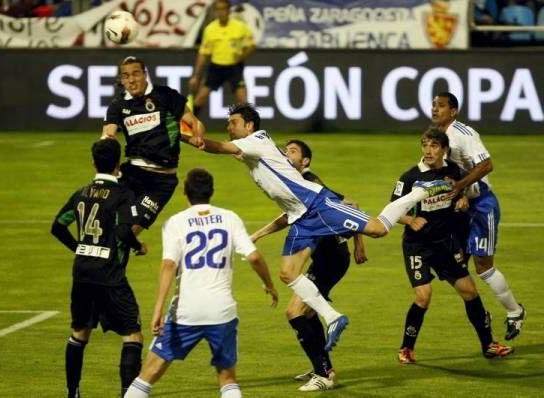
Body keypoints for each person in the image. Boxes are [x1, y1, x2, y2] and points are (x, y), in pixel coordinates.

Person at [197, 102, 453, 353]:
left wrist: (191, 138)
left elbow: (219, 146)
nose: (228, 127)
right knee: (287, 273)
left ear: (249, 126)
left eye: (233, 123)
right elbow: (238, 153)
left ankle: (420, 191)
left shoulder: (258, 139)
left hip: (317, 205)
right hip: (300, 217)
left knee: (378, 229)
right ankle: (332, 318)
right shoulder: (254, 151)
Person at [124, 168, 278, 398]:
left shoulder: (175, 223)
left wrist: (157, 310)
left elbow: (168, 266)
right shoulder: (229, 217)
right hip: (222, 311)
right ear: (211, 192)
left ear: (185, 192)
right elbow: (254, 256)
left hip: (186, 312)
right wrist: (269, 284)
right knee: (227, 380)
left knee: (147, 376)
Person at [250, 139, 368, 392]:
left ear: (305, 161)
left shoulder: (310, 182)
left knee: (295, 312)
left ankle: (324, 374)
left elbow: (351, 205)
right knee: (307, 311)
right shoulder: (292, 183)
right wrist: (259, 235)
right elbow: (288, 218)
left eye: (292, 151)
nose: (285, 153)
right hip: (325, 257)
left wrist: (359, 245)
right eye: (285, 150)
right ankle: (322, 368)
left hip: (332, 259)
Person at [391, 128, 513, 364]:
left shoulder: (453, 171)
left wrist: (463, 199)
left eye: (434, 146)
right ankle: (406, 348)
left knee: (470, 292)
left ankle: (489, 344)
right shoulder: (409, 177)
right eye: (425, 145)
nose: (428, 150)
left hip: (444, 244)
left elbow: (460, 192)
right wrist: (409, 219)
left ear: (444, 150)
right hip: (418, 246)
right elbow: (392, 210)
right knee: (424, 296)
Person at [51, 139, 147, 398]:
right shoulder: (122, 194)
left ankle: (73, 393)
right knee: (132, 335)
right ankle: (127, 394)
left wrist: (79, 248)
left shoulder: (81, 193)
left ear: (93, 162)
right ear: (118, 165)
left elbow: (58, 226)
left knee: (79, 334)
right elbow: (123, 230)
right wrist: (138, 246)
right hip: (110, 274)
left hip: (82, 273)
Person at [431, 92, 526, 340]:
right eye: (433, 105)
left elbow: (487, 165)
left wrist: (460, 185)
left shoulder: (464, 133)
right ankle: (480, 313)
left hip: (482, 205)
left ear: (453, 111)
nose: (435, 109)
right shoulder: (439, 137)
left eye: (441, 106)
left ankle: (515, 312)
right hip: (462, 208)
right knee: (453, 266)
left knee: (483, 267)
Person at [102, 55, 205, 234]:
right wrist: (107, 149)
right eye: (126, 76)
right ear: (122, 80)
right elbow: (107, 135)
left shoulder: (166, 95)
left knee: (129, 233)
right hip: (132, 172)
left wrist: (197, 135)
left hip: (161, 181)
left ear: (145, 74)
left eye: (135, 74)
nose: (131, 80)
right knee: (104, 219)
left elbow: (195, 122)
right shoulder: (117, 105)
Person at [187, 0, 256, 115]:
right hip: (216, 67)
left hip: (234, 67)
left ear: (229, 10)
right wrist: (196, 76)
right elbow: (203, 54)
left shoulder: (240, 27)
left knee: (242, 100)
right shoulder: (210, 29)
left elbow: (251, 46)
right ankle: (191, 127)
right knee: (200, 97)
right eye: (218, 9)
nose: (221, 12)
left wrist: (241, 56)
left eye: (223, 9)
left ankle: (247, 129)